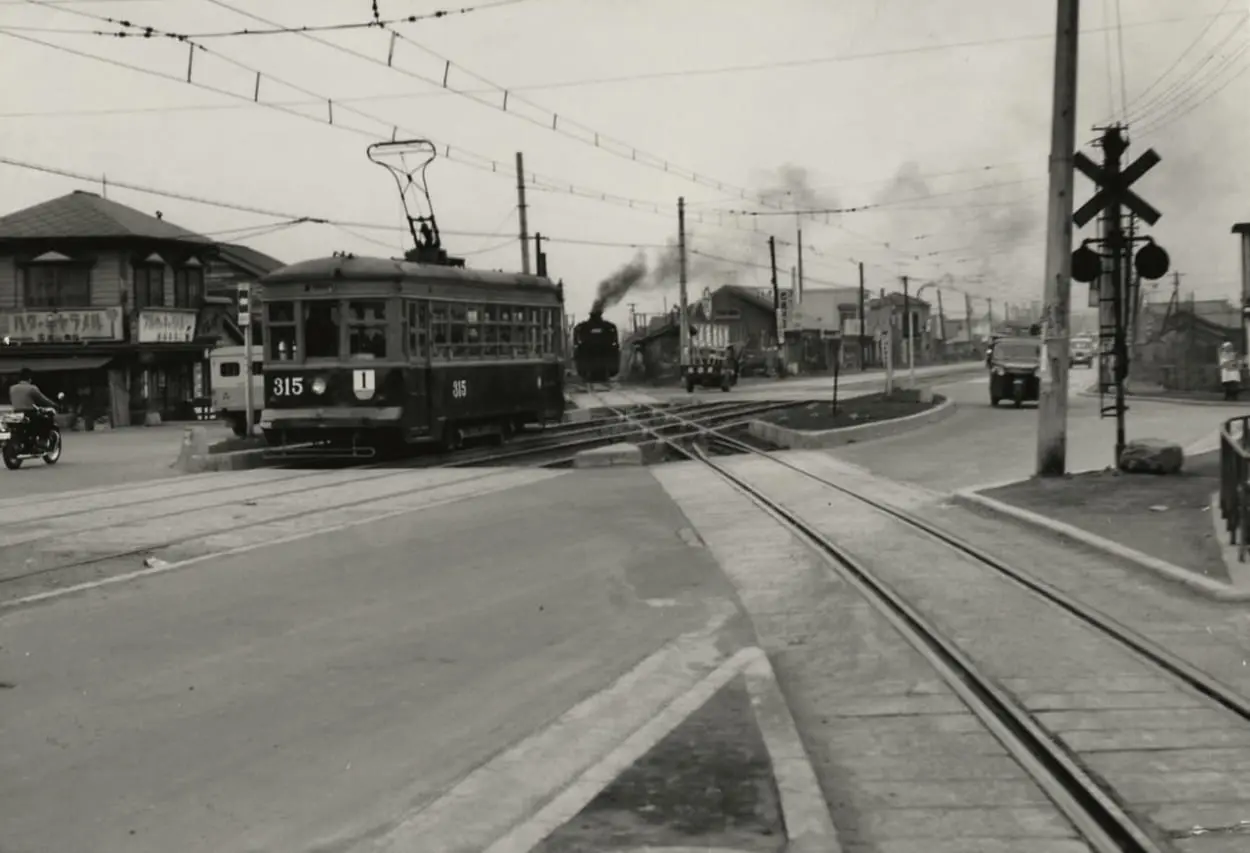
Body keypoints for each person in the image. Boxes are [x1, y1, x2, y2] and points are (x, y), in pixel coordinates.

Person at [8, 368, 57, 446]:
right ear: (29, 379)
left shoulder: (12, 388)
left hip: (16, 413)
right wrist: (53, 404)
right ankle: (43, 440)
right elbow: (42, 399)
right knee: (47, 419)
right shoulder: (32, 388)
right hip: (29, 413)